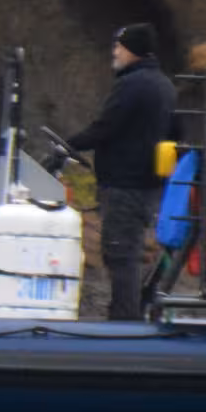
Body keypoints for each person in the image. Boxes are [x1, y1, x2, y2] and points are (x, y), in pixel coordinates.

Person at [66, 22, 177, 320]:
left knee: (120, 254)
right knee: (130, 251)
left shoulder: (133, 84)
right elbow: (177, 132)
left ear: (133, 50)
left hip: (126, 186)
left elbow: (107, 126)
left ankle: (124, 321)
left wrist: (69, 145)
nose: (114, 51)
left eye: (119, 46)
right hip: (150, 187)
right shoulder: (165, 85)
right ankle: (135, 312)